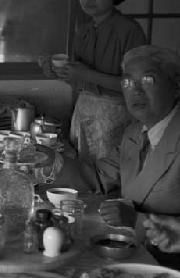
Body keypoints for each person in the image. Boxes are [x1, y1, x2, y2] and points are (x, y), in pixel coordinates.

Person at [57, 45, 180, 270]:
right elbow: (99, 177)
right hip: (131, 254)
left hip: (168, 268)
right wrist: (48, 161)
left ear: (176, 86)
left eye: (148, 80)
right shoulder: (135, 132)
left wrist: (136, 220)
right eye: (127, 82)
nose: (136, 91)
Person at [41, 0, 146, 161]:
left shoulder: (129, 30)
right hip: (83, 110)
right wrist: (59, 72)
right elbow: (78, 80)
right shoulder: (84, 30)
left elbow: (136, 85)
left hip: (116, 114)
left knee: (109, 172)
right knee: (83, 170)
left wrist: (87, 75)